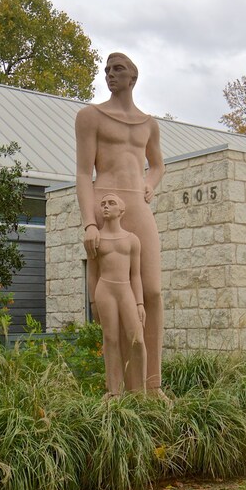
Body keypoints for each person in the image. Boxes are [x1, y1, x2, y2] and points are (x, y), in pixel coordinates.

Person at [75, 52, 167, 398]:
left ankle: (152, 385)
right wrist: (89, 223)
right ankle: (120, 388)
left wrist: (151, 182)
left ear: (133, 77)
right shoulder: (90, 116)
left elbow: (157, 164)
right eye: (107, 70)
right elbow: (84, 173)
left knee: (152, 291)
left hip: (138, 206)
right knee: (113, 295)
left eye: (118, 70)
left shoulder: (148, 124)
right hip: (106, 202)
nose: (110, 75)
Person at [94, 193, 146, 396]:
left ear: (121, 210)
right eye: (103, 203)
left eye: (111, 203)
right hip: (104, 290)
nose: (105, 206)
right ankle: (114, 392)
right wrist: (92, 302)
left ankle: (141, 391)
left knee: (137, 340)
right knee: (110, 339)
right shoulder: (96, 238)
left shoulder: (132, 239)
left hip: (126, 291)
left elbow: (136, 275)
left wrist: (139, 303)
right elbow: (92, 272)